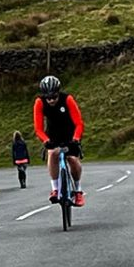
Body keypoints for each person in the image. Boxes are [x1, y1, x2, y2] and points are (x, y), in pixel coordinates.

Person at [32, 75, 86, 207]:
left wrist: (76, 138)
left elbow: (79, 123)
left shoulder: (67, 99)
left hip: (70, 133)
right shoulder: (39, 102)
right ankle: (55, 189)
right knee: (52, 153)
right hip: (53, 134)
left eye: (54, 97)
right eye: (48, 98)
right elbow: (38, 128)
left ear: (58, 93)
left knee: (73, 159)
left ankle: (78, 191)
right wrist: (45, 140)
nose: (51, 100)